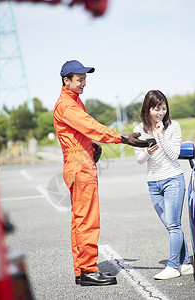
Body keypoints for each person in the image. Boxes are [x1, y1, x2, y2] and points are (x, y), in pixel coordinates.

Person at [53, 60, 148, 286]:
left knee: (80, 219)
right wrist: (123, 137)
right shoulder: (67, 105)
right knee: (87, 219)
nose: (84, 83)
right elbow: (90, 126)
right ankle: (87, 270)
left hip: (80, 162)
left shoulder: (74, 101)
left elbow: (80, 132)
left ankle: (82, 270)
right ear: (66, 81)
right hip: (79, 165)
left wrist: (92, 146)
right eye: (79, 79)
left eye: (85, 79)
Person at [133, 90, 193, 280]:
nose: (161, 113)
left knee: (174, 224)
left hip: (173, 179)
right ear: (147, 109)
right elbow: (139, 160)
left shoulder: (173, 126)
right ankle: (186, 263)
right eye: (156, 109)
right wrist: (148, 152)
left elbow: (174, 154)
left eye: (163, 108)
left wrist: (160, 135)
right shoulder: (139, 129)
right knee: (170, 225)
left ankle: (173, 266)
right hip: (153, 183)